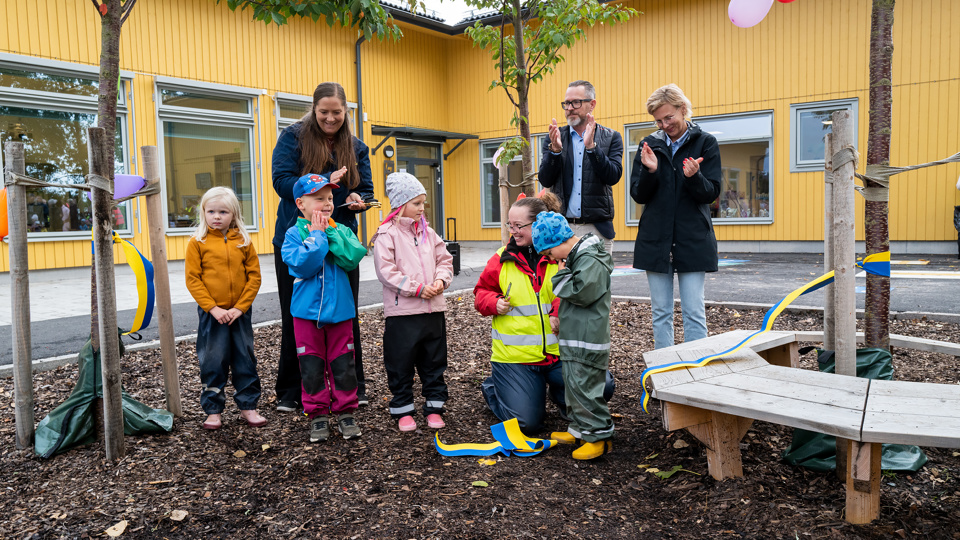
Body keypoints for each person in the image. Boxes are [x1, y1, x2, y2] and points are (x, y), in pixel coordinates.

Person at [474, 191, 614, 435]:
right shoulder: (500, 259)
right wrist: (493, 302)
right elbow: (480, 293)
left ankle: (561, 398)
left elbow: (572, 290)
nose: (512, 231)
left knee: (603, 387)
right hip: (517, 359)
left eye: (519, 226)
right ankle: (497, 386)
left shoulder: (560, 255)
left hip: (559, 355)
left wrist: (558, 310)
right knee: (527, 424)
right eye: (510, 225)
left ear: (537, 224)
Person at [272, 82, 374, 413]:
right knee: (297, 315)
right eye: (324, 112)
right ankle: (292, 390)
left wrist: (359, 199)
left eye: (337, 113)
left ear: (346, 112)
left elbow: (365, 188)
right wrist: (326, 179)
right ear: (314, 110)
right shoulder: (293, 137)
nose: (330, 119)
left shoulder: (356, 146)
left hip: (339, 240)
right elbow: (281, 182)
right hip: (299, 236)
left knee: (345, 315)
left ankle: (350, 387)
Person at [630, 84, 721, 349]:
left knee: (694, 312)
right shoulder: (649, 145)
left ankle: (697, 373)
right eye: (658, 120)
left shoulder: (706, 143)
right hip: (655, 239)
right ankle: (664, 373)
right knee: (660, 314)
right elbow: (639, 195)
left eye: (669, 117)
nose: (664, 124)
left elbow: (711, 194)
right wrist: (651, 171)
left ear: (683, 109)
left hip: (693, 239)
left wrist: (694, 177)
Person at [281, 172, 367, 443]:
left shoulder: (340, 229)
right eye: (319, 198)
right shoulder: (293, 234)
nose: (327, 203)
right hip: (305, 315)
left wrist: (328, 232)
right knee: (311, 363)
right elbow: (303, 265)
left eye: (330, 198)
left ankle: (346, 411)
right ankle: (317, 413)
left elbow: (352, 257)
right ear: (300, 204)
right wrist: (317, 238)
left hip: (340, 312)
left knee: (343, 362)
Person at [372, 172, 454, 432]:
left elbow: (445, 260)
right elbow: (387, 272)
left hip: (433, 311)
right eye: (417, 203)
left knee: (434, 361)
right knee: (400, 362)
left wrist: (441, 281)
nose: (422, 208)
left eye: (423, 203)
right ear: (401, 204)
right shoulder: (387, 235)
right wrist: (417, 289)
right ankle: (403, 409)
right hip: (403, 313)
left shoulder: (430, 233)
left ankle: (434, 408)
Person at [532, 211, 614, 460]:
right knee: (575, 386)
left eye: (548, 253)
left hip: (587, 340)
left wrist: (560, 274)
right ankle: (580, 429)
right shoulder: (579, 258)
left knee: (586, 388)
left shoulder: (590, 259)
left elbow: (581, 292)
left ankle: (598, 437)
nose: (549, 259)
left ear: (557, 243)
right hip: (577, 339)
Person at [184, 186, 266, 431]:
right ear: (203, 213)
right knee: (213, 360)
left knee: (244, 358)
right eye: (211, 211)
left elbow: (254, 277)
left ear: (234, 214)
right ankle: (213, 410)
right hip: (213, 315)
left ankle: (248, 406)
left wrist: (240, 308)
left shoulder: (244, 241)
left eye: (223, 212)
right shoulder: (197, 243)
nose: (216, 216)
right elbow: (193, 280)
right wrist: (213, 308)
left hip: (239, 314)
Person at [538, 80, 624, 254]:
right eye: (566, 103)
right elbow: (545, 179)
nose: (569, 108)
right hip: (562, 228)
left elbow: (613, 176)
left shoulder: (611, 137)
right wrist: (554, 151)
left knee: (596, 282)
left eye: (576, 102)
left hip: (597, 230)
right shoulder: (555, 137)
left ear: (592, 104)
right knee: (564, 281)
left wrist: (592, 148)